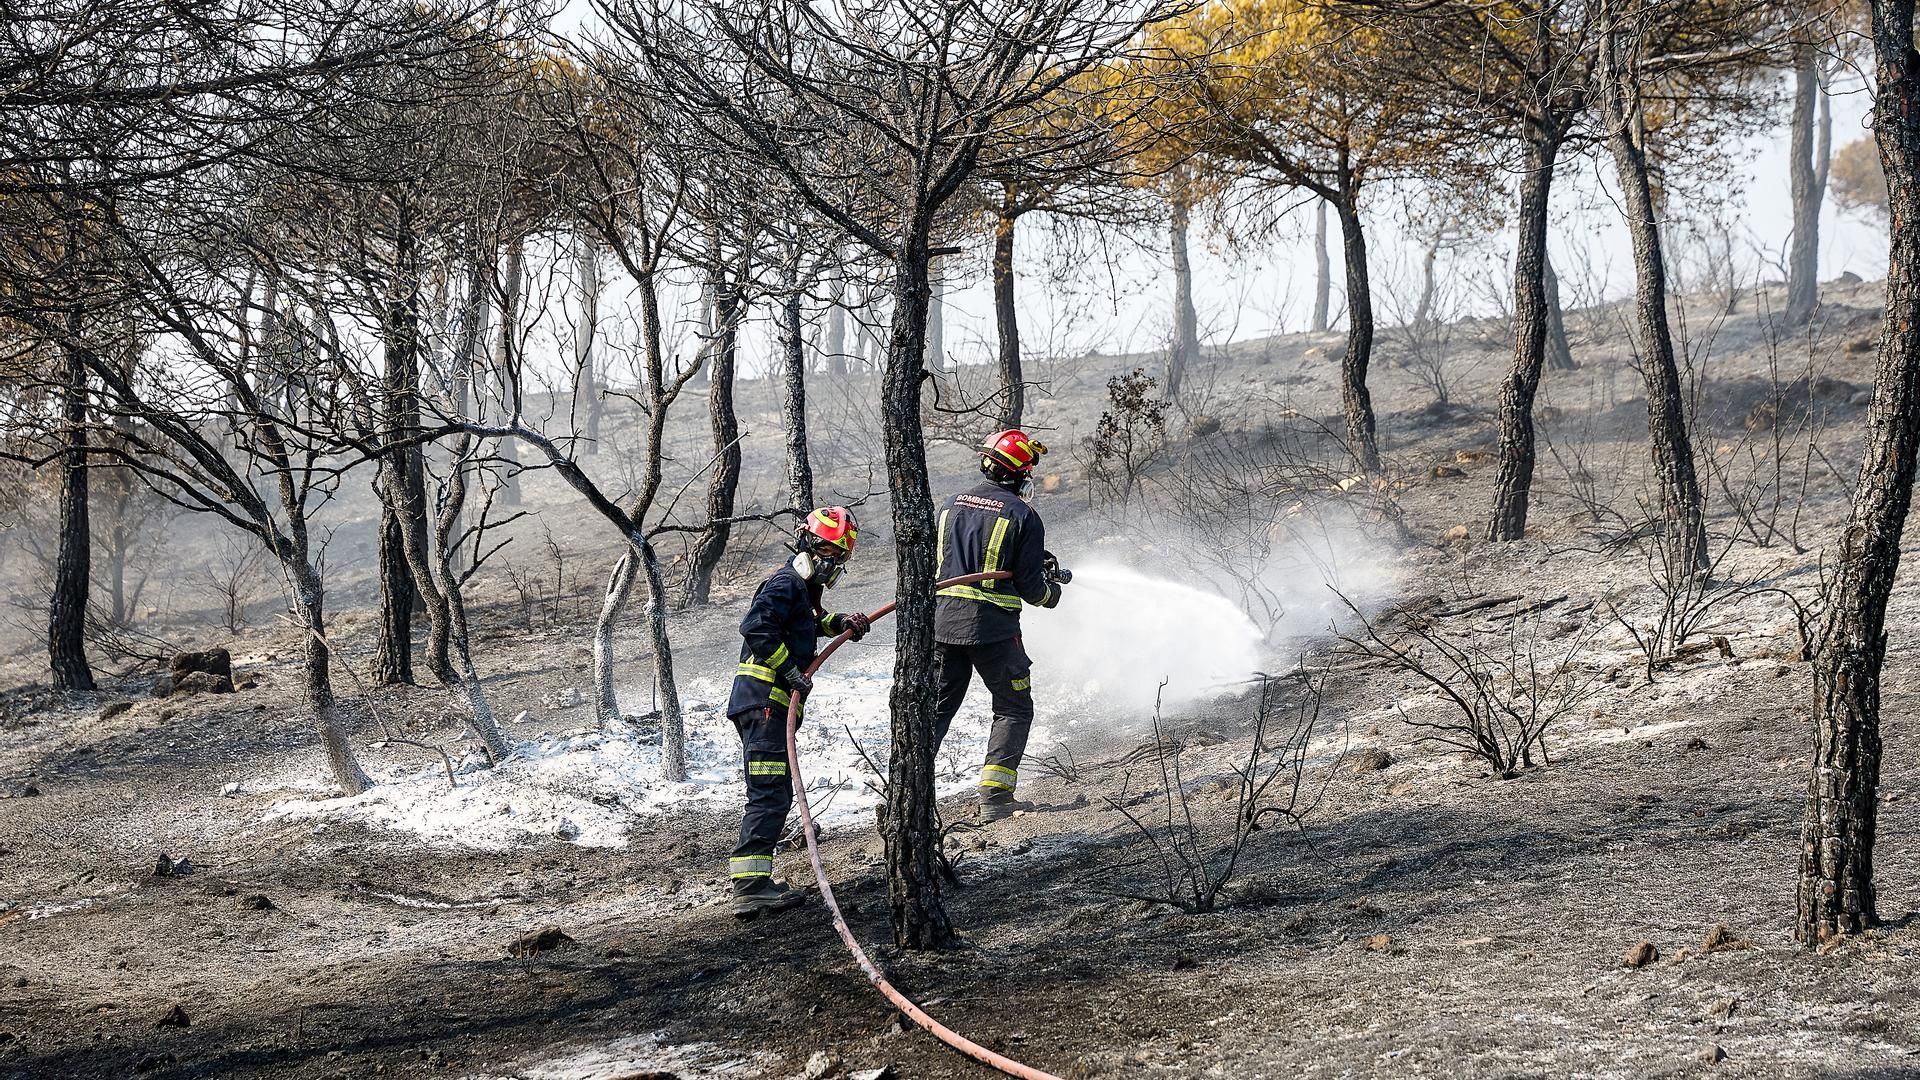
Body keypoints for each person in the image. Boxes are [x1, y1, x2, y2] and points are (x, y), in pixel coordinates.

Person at [727, 506, 872, 918]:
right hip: (764, 705)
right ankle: (751, 886)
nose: (831, 564)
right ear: (808, 545)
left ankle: (753, 882)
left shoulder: (803, 591)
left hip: (765, 706)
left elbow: (810, 622)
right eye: (827, 553)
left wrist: (841, 622)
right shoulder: (785, 583)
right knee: (770, 793)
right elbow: (756, 627)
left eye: (838, 557)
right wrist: (789, 669)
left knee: (775, 792)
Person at [932, 429, 1071, 823]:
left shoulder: (949, 504)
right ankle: (995, 796)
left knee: (937, 711)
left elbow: (953, 558)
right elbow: (1029, 586)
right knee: (1013, 707)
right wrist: (1050, 594)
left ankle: (908, 794)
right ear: (1019, 475)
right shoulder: (1023, 515)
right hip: (992, 630)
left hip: (942, 625)